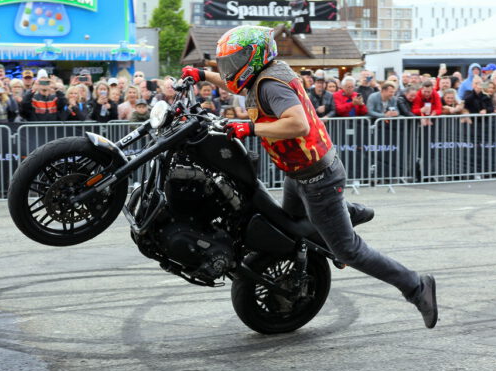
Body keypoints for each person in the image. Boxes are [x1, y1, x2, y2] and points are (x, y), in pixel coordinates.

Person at [181, 25, 438, 329]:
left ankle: (415, 285)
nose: (229, 70)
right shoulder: (265, 73)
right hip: (301, 174)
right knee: (288, 228)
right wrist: (202, 76)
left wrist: (249, 128)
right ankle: (343, 215)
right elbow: (238, 86)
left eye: (234, 62)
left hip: (318, 180)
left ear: (253, 57)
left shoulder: (271, 85)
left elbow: (298, 125)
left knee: (348, 250)